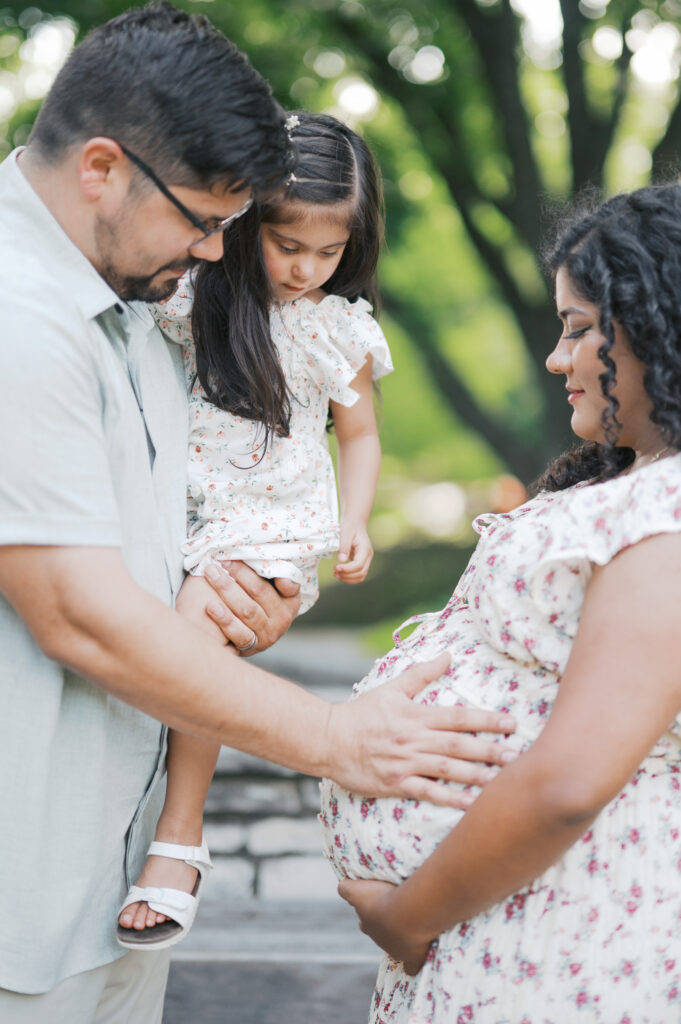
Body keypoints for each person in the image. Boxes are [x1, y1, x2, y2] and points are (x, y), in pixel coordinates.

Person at [0, 3, 516, 1019]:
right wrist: (336, 737)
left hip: (106, 888)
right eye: (202, 221)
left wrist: (245, 591)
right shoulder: (21, 321)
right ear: (101, 167)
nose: (213, 253)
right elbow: (73, 610)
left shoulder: (131, 304)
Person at [322, 184, 681, 1022]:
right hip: (509, 928)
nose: (558, 360)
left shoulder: (668, 517)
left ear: (661, 326)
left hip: (573, 938)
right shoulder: (629, 484)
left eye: (581, 327)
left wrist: (404, 921)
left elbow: (567, 782)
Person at [117, 111, 395, 946]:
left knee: (198, 632)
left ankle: (180, 837)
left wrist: (355, 521)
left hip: (269, 525)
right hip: (184, 515)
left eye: (328, 252)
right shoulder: (196, 295)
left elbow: (363, 436)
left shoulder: (333, 328)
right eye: (288, 245)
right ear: (245, 228)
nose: (306, 270)